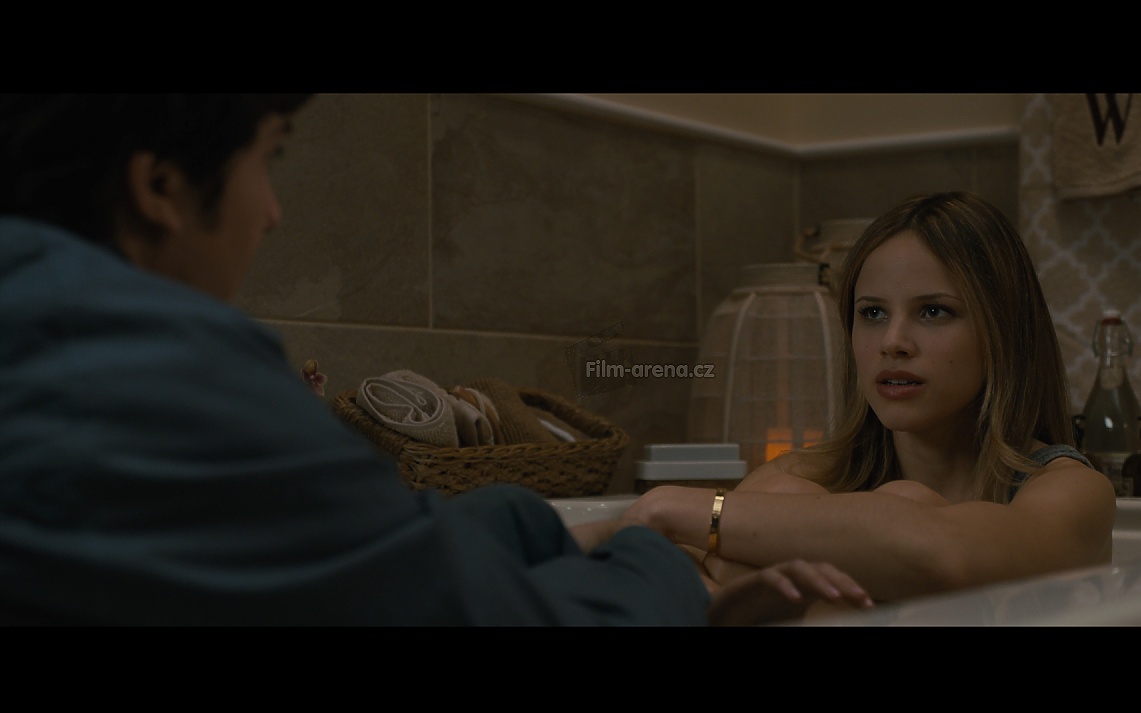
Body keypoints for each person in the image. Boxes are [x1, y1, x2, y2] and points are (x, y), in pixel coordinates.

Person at [0, 94, 872, 626]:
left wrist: (552, 528)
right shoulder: (158, 383)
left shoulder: (52, 338)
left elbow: (360, 552)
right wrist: (657, 564)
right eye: (269, 160)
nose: (273, 214)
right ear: (159, 186)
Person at [573, 190, 1117, 608]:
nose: (892, 342)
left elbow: (944, 555)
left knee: (904, 502)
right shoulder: (803, 476)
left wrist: (673, 507)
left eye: (933, 311)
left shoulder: (1071, 491)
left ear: (1004, 331)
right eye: (872, 313)